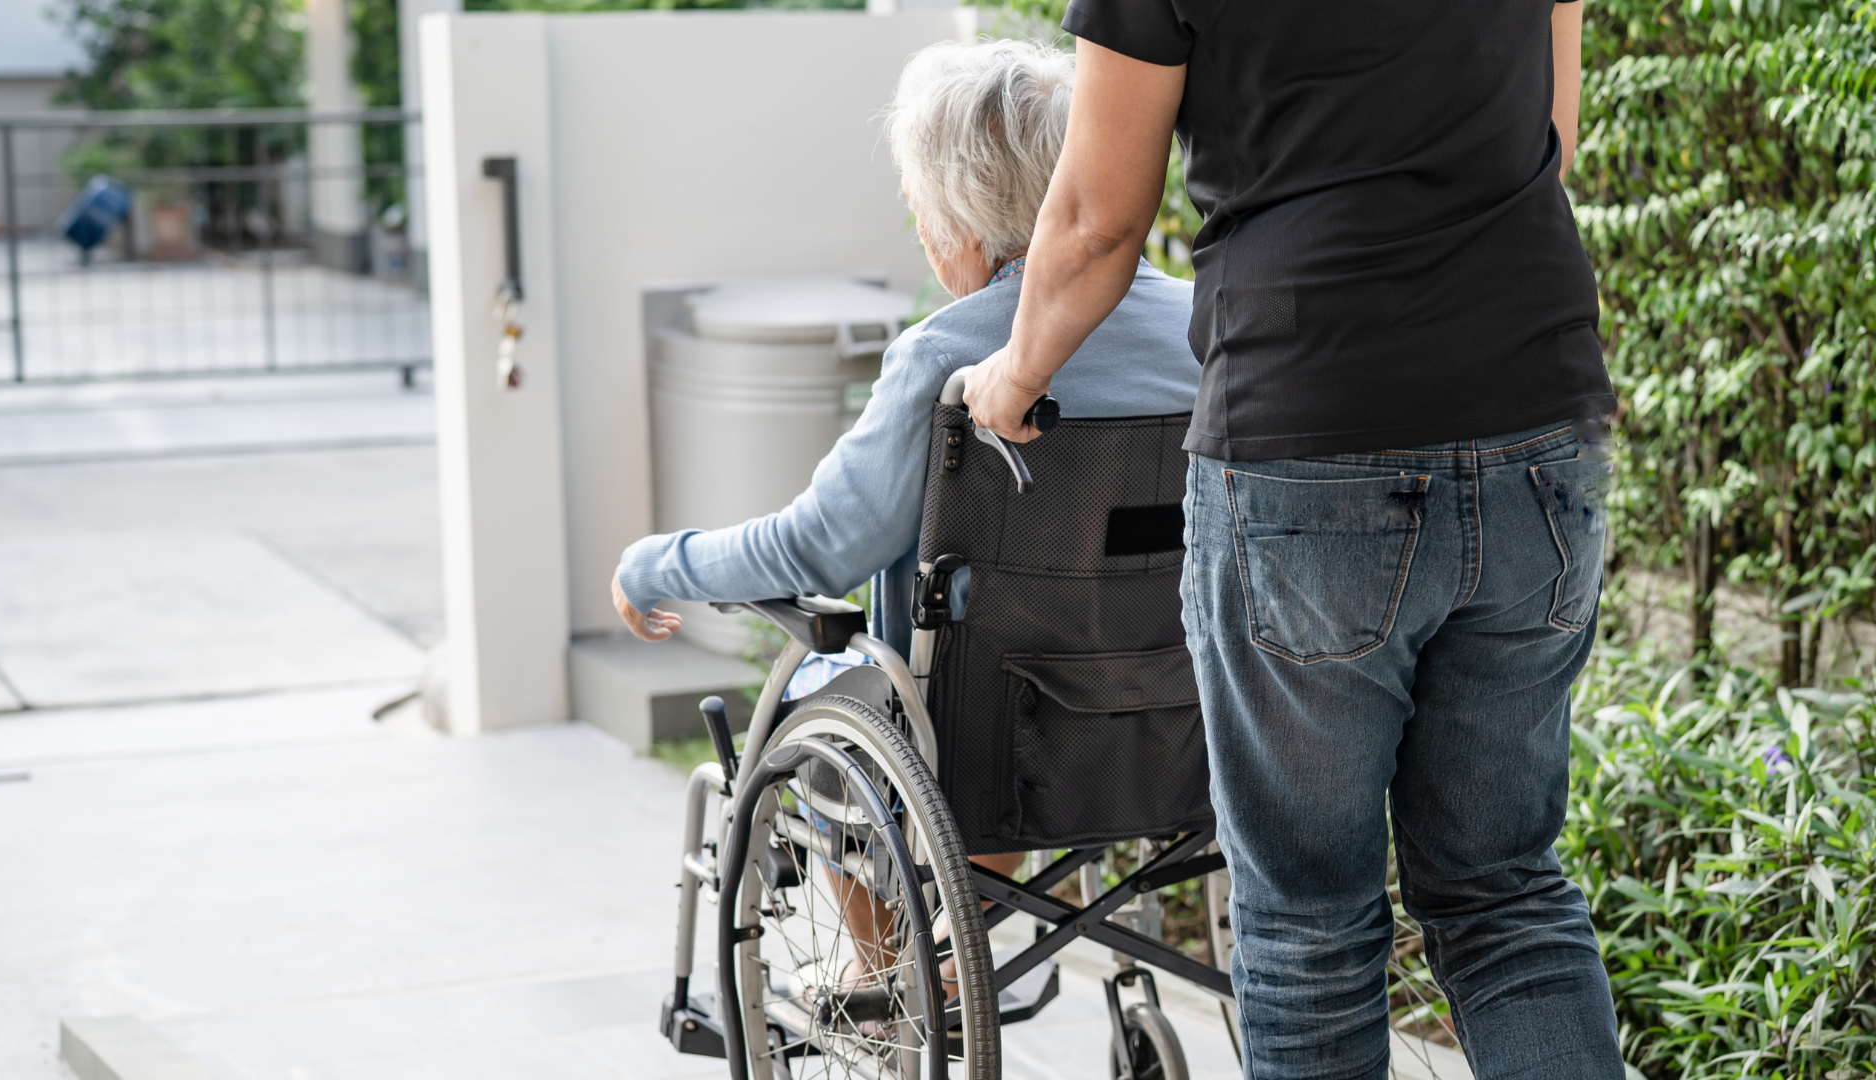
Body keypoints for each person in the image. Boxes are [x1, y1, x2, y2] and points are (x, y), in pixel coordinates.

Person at [961, 3, 1626, 1078]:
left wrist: (1016, 374)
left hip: (1308, 429)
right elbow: (1549, 133)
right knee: (1506, 892)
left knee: (1310, 920)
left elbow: (1094, 220)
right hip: (1537, 422)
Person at [609, 39, 1202, 986]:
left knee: (826, 692)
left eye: (919, 204)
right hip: (1181, 714)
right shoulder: (1206, 325)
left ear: (959, 223)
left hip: (990, 739)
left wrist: (657, 563)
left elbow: (819, 547)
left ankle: (880, 972)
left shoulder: (946, 354)